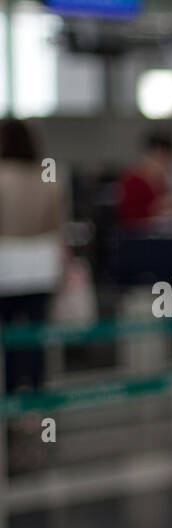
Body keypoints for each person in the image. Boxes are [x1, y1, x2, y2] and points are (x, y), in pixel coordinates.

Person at [0, 118, 64, 471]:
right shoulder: (47, 177)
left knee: (9, 339)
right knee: (36, 338)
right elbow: (57, 227)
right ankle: (35, 404)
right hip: (40, 266)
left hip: (6, 268)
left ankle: (10, 404)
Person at [117, 130, 172, 228]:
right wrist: (159, 207)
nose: (167, 164)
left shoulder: (160, 180)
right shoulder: (134, 180)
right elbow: (130, 218)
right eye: (166, 158)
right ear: (157, 152)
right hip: (135, 235)